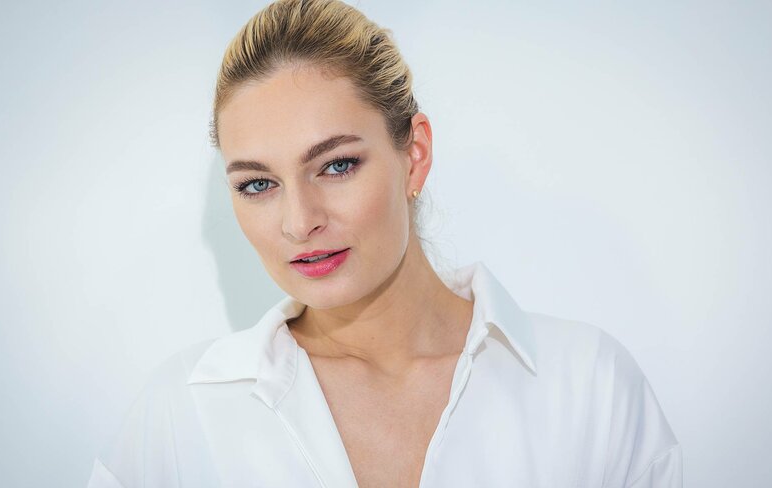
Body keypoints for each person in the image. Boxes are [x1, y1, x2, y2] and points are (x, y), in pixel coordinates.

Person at [87, 0, 682, 486]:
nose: (300, 221)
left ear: (414, 156)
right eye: (258, 184)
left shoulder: (591, 387)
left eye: (336, 165)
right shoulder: (181, 416)